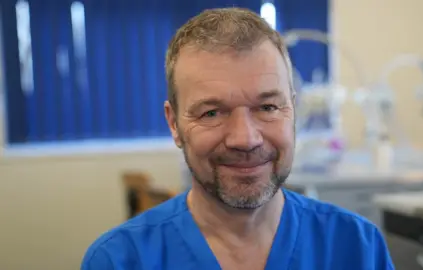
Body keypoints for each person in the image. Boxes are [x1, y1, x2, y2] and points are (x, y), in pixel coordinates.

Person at [81, 7, 394, 270]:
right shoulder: (120, 260)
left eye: (268, 107)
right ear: (174, 124)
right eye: (212, 112)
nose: (245, 139)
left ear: (293, 111)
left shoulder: (356, 248)